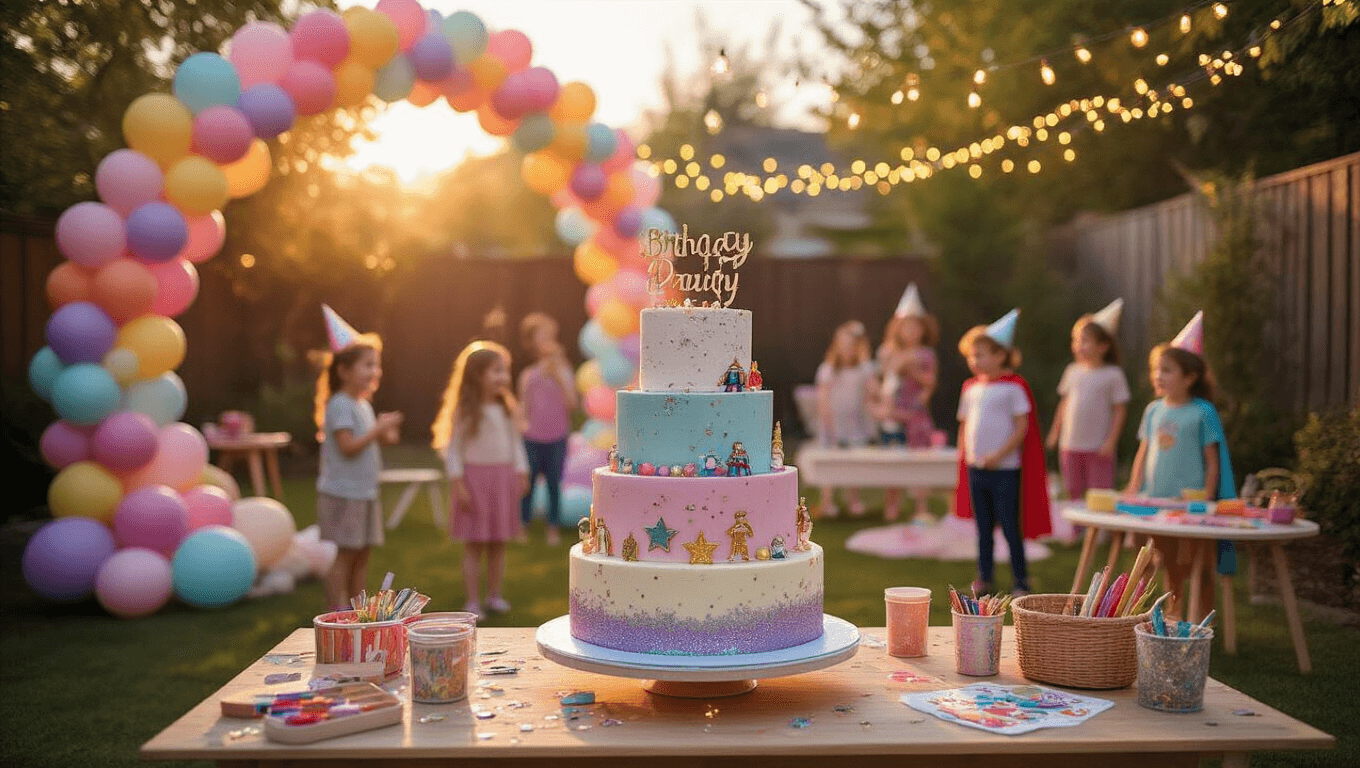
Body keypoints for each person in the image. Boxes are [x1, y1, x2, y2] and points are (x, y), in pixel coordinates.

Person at [1124, 311, 1235, 620]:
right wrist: (1134, 488)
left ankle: (1199, 615)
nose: (1158, 375)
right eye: (1156, 369)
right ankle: (1160, 613)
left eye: (1167, 370)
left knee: (1192, 561)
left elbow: (1213, 460)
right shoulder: (1153, 410)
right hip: (1156, 499)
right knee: (1156, 556)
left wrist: (1207, 498)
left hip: (1189, 503)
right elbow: (1143, 452)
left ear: (1190, 377)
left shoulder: (1202, 412)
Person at [953, 309, 1051, 597]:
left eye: (981, 354)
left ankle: (1021, 580)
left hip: (1005, 469)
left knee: (1010, 526)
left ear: (1000, 355)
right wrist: (965, 455)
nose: (975, 360)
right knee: (983, 529)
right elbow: (965, 425)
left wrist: (998, 454)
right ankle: (984, 578)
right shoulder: (970, 388)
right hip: (977, 469)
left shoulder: (1013, 387)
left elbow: (1022, 427)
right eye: (972, 355)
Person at [314, 305, 403, 611]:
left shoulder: (362, 404)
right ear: (343, 371)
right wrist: (378, 429)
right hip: (345, 493)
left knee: (362, 555)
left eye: (376, 365)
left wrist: (385, 431)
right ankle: (337, 613)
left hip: (364, 492)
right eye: (367, 365)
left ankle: (356, 612)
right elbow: (349, 446)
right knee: (346, 555)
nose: (374, 371)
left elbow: (372, 441)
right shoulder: (340, 404)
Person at [432, 340, 529, 618]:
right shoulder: (465, 410)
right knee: (474, 544)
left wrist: (521, 472)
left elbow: (515, 444)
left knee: (498, 542)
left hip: (502, 479)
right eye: (496, 371)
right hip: (474, 482)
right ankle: (473, 601)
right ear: (477, 375)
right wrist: (458, 483)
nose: (503, 377)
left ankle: (495, 596)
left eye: (504, 371)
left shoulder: (506, 408)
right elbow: (454, 451)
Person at [1046, 299, 1131, 501]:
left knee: (1099, 493)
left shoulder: (1113, 375)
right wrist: (1055, 432)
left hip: (1098, 447)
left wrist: (1110, 441)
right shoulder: (1072, 371)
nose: (1078, 346)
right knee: (1074, 491)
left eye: (1084, 341)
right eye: (1075, 340)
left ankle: (1100, 533)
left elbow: (1120, 410)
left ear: (1102, 346)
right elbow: (1064, 404)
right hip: (1070, 444)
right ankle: (1079, 533)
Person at [876, 283, 940, 522]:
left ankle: (920, 506)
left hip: (916, 416)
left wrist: (911, 370)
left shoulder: (926, 355)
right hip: (894, 415)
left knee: (918, 461)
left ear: (923, 329)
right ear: (897, 329)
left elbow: (929, 385)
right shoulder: (888, 352)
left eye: (915, 327)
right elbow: (885, 379)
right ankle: (892, 503)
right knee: (892, 461)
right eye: (906, 327)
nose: (911, 331)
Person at [517, 313, 576, 545]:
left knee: (554, 484)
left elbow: (572, 404)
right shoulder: (528, 374)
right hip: (531, 438)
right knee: (527, 485)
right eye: (542, 335)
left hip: (557, 437)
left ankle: (553, 529)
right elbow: (524, 407)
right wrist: (521, 428)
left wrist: (558, 377)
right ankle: (522, 526)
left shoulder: (564, 372)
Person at [814, 320, 876, 517]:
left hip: (855, 423)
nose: (848, 350)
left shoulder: (863, 369)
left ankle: (854, 501)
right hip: (833, 423)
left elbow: (873, 391)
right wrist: (828, 422)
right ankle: (827, 501)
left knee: (853, 462)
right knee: (831, 462)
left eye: (852, 346)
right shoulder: (828, 369)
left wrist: (866, 362)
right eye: (844, 345)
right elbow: (823, 398)